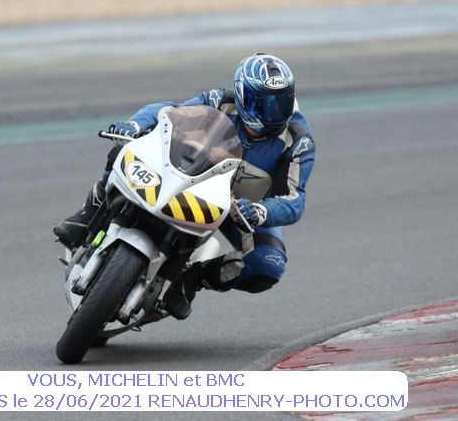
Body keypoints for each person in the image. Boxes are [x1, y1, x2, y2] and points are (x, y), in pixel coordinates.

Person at [53, 53, 315, 319]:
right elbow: (169, 112)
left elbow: (294, 199)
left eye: (281, 103)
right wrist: (134, 125)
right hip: (193, 178)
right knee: (124, 149)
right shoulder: (220, 101)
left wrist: (261, 211)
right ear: (242, 95)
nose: (273, 113)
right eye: (263, 104)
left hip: (242, 208)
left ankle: (192, 280)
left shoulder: (298, 140)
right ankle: (89, 213)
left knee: (269, 264)